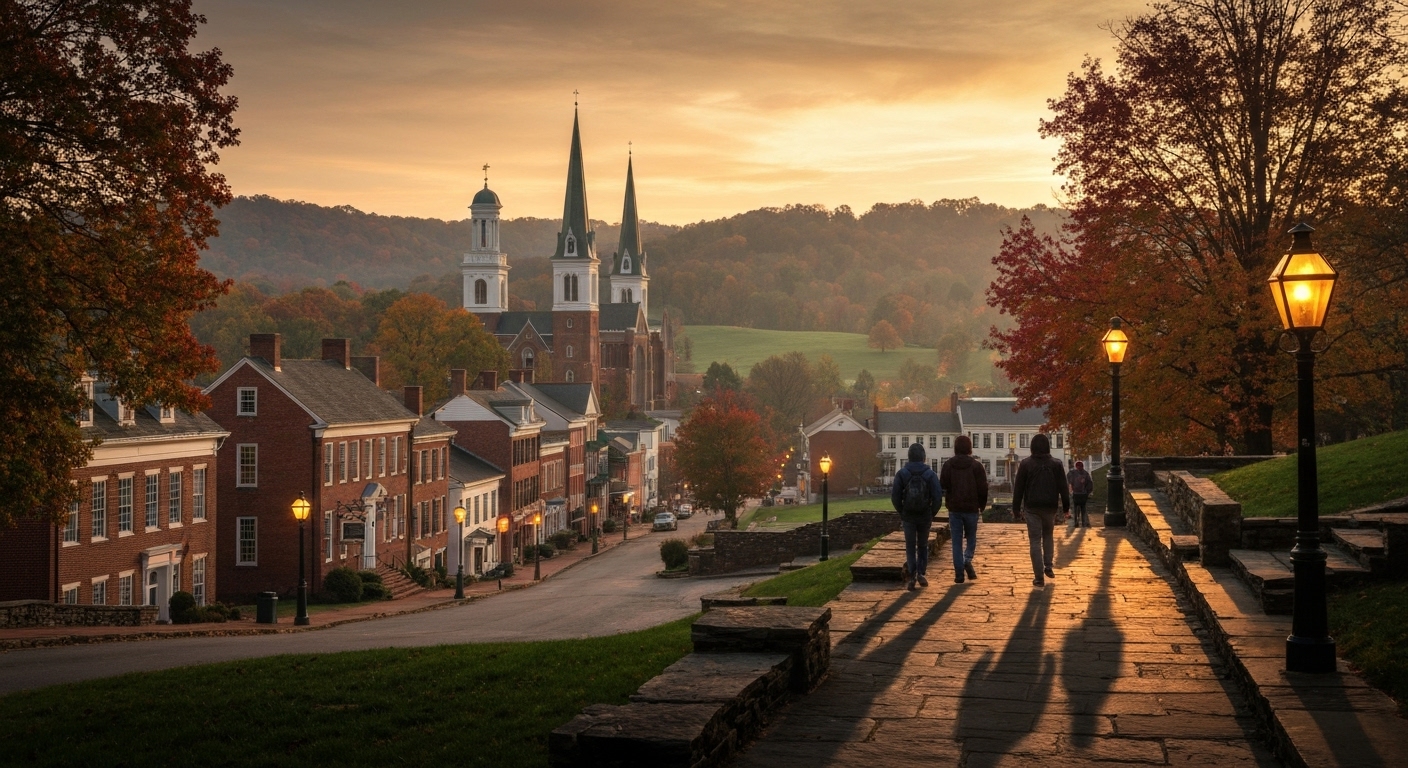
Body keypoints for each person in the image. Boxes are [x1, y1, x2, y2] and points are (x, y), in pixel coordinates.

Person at [1012, 433, 1070, 587]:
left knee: (1035, 540)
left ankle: (1038, 577)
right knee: (1048, 535)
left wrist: (1016, 509)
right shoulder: (1056, 464)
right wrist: (1066, 507)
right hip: (1050, 506)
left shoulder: (1026, 464)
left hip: (1032, 507)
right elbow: (1063, 487)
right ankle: (1048, 565)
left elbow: (1018, 488)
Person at [891, 442, 943, 590]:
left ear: (909, 457)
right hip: (924, 515)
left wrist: (902, 511)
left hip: (908, 516)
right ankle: (921, 573)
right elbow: (938, 498)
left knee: (910, 545)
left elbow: (895, 497)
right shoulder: (930, 474)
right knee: (922, 545)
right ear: (923, 458)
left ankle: (912, 575)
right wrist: (931, 513)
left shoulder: (902, 474)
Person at [940, 435, 987, 584]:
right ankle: (967, 559)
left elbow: (943, 485)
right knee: (971, 537)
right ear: (969, 448)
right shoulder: (976, 466)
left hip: (955, 508)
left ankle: (959, 573)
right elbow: (983, 488)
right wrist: (982, 505)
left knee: (956, 541)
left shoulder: (948, 465)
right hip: (972, 508)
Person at [1067, 460, 1094, 528]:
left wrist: (1071, 490)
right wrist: (1088, 492)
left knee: (1076, 509)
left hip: (1076, 494)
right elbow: (1090, 484)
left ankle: (1077, 523)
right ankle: (1084, 523)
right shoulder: (1085, 474)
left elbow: (1069, 480)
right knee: (1083, 509)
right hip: (1082, 494)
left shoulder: (1073, 473)